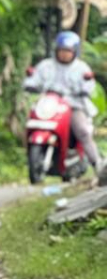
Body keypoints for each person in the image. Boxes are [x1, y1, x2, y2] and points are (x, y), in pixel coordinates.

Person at [25, 30, 104, 182]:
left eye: (68, 51)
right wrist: (30, 84)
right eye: (61, 50)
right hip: (49, 105)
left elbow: (89, 84)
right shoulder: (46, 66)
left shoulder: (81, 68)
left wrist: (84, 89)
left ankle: (97, 163)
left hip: (73, 106)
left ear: (74, 52)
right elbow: (33, 79)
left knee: (82, 131)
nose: (64, 54)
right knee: (31, 121)